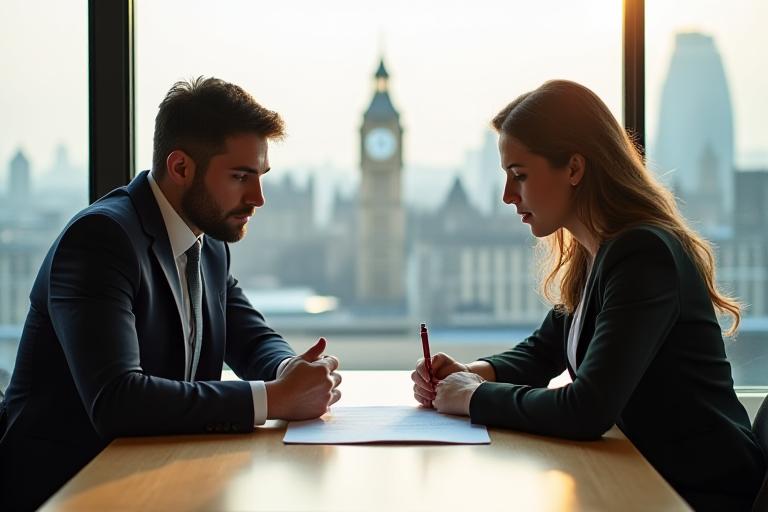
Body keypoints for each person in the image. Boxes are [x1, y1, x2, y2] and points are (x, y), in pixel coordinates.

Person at [412, 80, 766, 511]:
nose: (507, 196)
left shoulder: (643, 255)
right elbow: (543, 352)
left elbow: (586, 410)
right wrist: (470, 373)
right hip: (646, 479)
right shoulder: (597, 252)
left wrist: (472, 396)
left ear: (575, 169)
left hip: (702, 494)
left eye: (519, 175)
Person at [0, 77, 342, 510]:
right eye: (240, 176)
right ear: (180, 168)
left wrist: (292, 369)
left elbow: (250, 336)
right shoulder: (101, 239)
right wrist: (275, 398)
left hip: (159, 475)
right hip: (67, 489)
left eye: (261, 177)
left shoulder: (209, 241)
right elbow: (117, 400)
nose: (258, 198)